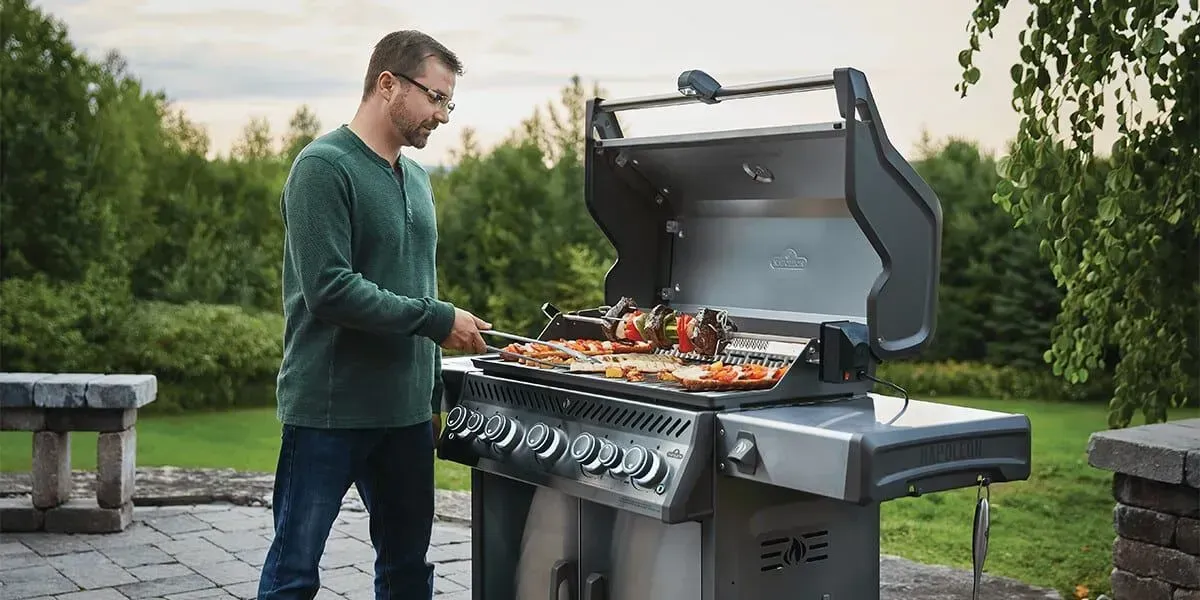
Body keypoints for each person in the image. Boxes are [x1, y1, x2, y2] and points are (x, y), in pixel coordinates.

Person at [257, 30, 491, 600]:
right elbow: (330, 290)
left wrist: (430, 388)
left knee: (408, 570)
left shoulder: (417, 178)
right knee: (294, 573)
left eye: (447, 102)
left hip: (407, 412)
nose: (441, 114)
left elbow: (412, 281)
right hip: (329, 410)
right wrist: (438, 319)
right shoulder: (323, 167)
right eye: (434, 97)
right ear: (387, 84)